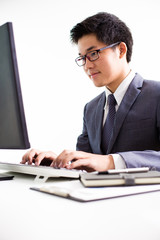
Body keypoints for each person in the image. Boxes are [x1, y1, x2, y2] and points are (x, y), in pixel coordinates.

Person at [21, 12, 160, 172]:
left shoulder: (156, 95)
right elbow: (86, 163)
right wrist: (59, 162)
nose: (87, 66)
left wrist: (110, 162)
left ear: (121, 50)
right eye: (82, 58)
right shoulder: (91, 109)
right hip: (95, 196)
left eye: (93, 54)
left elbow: (102, 162)